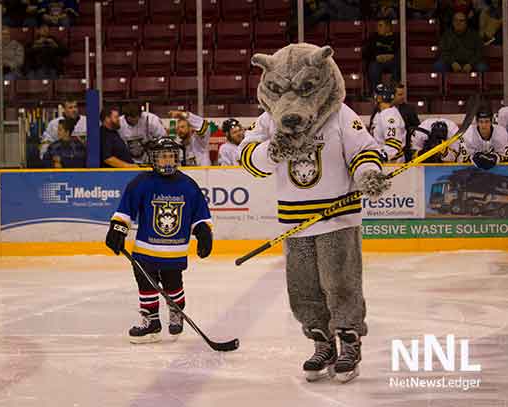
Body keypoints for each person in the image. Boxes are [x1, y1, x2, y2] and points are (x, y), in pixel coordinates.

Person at [238, 44, 390, 383]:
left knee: (340, 283)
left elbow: (364, 151)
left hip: (337, 218)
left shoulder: (339, 114)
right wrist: (274, 149)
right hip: (296, 223)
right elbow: (249, 159)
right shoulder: (268, 119)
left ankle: (349, 340)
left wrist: (367, 174)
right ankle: (322, 341)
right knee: (304, 288)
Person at [105, 137, 213, 343]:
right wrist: (118, 228)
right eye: (163, 157)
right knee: (145, 284)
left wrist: (203, 233)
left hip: (175, 250)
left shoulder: (188, 185)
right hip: (145, 250)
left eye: (171, 156)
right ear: (154, 159)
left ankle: (176, 312)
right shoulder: (142, 182)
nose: (168, 161)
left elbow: (200, 214)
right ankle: (151, 321)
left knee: (174, 284)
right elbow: (126, 210)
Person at [371, 83, 407, 163]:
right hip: (386, 160)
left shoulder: (390, 115)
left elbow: (393, 144)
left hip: (392, 163)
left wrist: (380, 157)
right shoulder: (381, 113)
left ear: (379, 98)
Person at [363, 19, 400, 93]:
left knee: (398, 62)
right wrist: (376, 57)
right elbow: (366, 53)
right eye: (377, 26)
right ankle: (377, 92)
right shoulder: (373, 37)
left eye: (380, 26)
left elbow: (400, 51)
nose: (377, 28)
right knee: (373, 66)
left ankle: (394, 88)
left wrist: (390, 56)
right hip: (377, 61)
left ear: (388, 27)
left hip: (392, 61)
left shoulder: (396, 37)